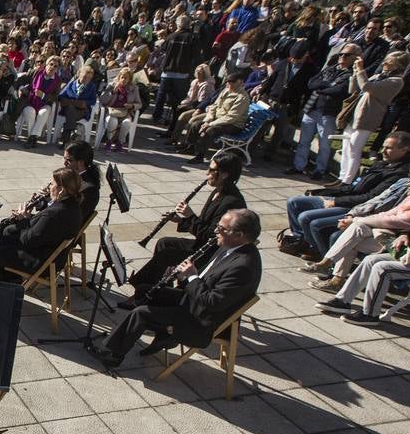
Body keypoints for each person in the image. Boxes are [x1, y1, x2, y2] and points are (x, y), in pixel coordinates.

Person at [94, 208, 263, 367]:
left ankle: (112, 354)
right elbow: (206, 280)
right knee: (145, 290)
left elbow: (212, 301)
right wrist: (181, 276)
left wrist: (190, 276)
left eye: (221, 228)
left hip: (200, 320)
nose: (215, 231)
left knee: (142, 313)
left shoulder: (244, 266)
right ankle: (163, 335)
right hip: (193, 303)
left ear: (239, 235)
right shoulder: (230, 247)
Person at [317, 187, 410, 326]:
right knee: (371, 260)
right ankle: (343, 301)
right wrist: (406, 235)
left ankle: (370, 315)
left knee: (384, 268)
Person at [124, 150, 246, 304]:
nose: (207, 174)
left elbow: (211, 235)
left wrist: (189, 215)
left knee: (166, 255)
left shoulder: (231, 201)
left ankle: (144, 294)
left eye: (211, 170)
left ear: (225, 174)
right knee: (164, 242)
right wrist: (179, 220)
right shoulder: (219, 191)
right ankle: (160, 288)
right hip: (203, 244)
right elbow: (204, 225)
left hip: (211, 253)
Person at [302, 167, 410, 289]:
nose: (409, 184)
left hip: (405, 245)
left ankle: (327, 265)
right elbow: (388, 213)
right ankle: (334, 277)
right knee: (354, 234)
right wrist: (354, 219)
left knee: (355, 229)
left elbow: (400, 221)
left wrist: (355, 219)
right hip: (386, 236)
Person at [280, 131, 410, 258]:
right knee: (295, 201)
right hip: (346, 198)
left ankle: (317, 250)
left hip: (355, 206)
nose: (383, 151)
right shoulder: (382, 164)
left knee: (307, 218)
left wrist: (336, 202)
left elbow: (370, 198)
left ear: (405, 149)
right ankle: (301, 239)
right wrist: (323, 192)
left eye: (389, 148)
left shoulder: (399, 173)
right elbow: (354, 187)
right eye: (383, 147)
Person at [0, 167, 84, 280]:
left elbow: (27, 241)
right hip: (52, 257)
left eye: (52, 184)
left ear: (61, 190)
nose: (49, 188)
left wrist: (23, 220)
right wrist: (29, 217)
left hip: (39, 260)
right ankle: (11, 279)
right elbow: (45, 228)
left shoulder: (54, 213)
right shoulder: (73, 206)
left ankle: (6, 289)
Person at [337, 51, 408, 185]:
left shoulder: (396, 81)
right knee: (346, 147)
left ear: (398, 65)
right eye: (385, 60)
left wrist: (361, 70)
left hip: (368, 118)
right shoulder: (379, 76)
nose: (384, 63)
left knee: (354, 149)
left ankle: (347, 181)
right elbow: (354, 89)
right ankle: (341, 177)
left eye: (389, 61)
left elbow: (367, 87)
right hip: (354, 115)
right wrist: (355, 73)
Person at [290, 45, 358, 179]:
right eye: (341, 54)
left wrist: (323, 86)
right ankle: (298, 166)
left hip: (328, 113)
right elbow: (311, 84)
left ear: (354, 58)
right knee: (304, 140)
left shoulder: (350, 75)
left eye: (346, 55)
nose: (342, 57)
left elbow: (339, 90)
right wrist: (328, 85)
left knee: (324, 144)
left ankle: (319, 170)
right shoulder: (329, 69)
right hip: (312, 108)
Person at [181, 73, 249, 162]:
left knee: (210, 130)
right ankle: (191, 147)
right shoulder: (226, 90)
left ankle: (200, 156)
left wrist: (210, 124)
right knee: (196, 124)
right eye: (227, 82)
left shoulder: (242, 97)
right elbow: (214, 106)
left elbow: (231, 117)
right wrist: (207, 120)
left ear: (240, 82)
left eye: (232, 82)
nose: (228, 84)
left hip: (233, 125)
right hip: (218, 120)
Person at [98, 66, 141, 152]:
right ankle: (109, 141)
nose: (124, 80)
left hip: (125, 113)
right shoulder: (111, 85)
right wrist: (113, 91)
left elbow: (139, 104)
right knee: (112, 121)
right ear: (119, 77)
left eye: (126, 78)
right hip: (112, 111)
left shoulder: (134, 88)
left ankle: (119, 143)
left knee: (126, 123)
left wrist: (132, 106)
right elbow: (102, 100)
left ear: (130, 79)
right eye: (122, 77)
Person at [57, 64, 99, 146]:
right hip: (69, 109)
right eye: (84, 77)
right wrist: (72, 102)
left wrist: (85, 103)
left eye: (89, 78)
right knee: (70, 108)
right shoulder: (72, 83)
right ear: (79, 74)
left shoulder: (92, 86)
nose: (86, 80)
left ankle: (66, 139)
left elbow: (93, 101)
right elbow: (61, 96)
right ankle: (70, 134)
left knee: (70, 109)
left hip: (82, 111)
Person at [65, 140, 101, 221]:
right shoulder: (73, 174)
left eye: (69, 160)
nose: (64, 163)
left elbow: (68, 215)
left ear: (81, 162)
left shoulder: (89, 189)